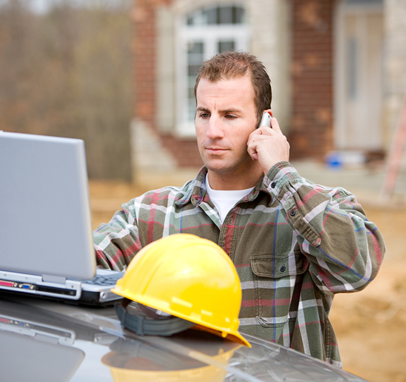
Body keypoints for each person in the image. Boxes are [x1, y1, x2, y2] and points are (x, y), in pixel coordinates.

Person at [93, 51, 386, 368]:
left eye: (229, 116)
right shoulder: (151, 214)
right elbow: (80, 265)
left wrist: (282, 173)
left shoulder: (313, 207)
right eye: (204, 114)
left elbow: (360, 267)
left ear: (265, 123)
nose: (213, 131)